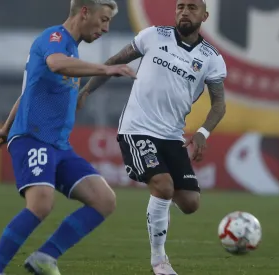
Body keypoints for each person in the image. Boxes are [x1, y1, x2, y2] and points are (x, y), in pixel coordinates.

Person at [0, 1, 136, 274]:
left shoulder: (71, 49)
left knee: (104, 200)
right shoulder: (54, 38)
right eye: (103, 19)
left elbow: (29, 89)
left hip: (58, 145)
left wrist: (5, 128)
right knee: (41, 203)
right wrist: (105, 68)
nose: (106, 28)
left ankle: (45, 257)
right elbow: (55, 64)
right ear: (84, 12)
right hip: (32, 138)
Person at [78, 0, 227, 273]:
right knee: (163, 185)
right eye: (180, 6)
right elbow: (113, 62)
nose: (184, 11)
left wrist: (203, 133)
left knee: (191, 204)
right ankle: (159, 260)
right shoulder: (153, 35)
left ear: (204, 15)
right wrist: (86, 91)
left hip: (172, 135)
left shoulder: (211, 58)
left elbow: (219, 104)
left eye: (192, 7)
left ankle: (160, 208)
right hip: (137, 128)